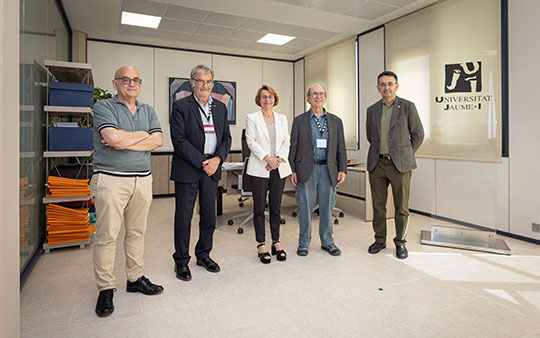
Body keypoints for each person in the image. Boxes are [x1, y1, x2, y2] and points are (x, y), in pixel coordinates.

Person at [91, 66, 164, 318]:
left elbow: (158, 140)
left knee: (137, 233)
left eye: (136, 80)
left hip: (142, 180)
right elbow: (112, 139)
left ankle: (134, 279)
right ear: (115, 83)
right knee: (107, 236)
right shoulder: (104, 107)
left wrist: (126, 139)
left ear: (140, 84)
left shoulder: (148, 110)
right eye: (126, 79)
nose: (131, 84)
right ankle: (106, 289)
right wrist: (141, 136)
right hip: (110, 180)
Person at [170, 64, 231, 281]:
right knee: (184, 218)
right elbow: (178, 140)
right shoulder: (181, 106)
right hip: (188, 168)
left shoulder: (220, 108)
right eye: (200, 81)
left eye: (208, 82)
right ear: (192, 82)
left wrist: (217, 159)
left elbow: (226, 138)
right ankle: (181, 260)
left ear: (212, 84)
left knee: (209, 216)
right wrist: (202, 162)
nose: (205, 85)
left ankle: (204, 254)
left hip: (212, 168)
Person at [366, 71, 424, 259]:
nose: (386, 87)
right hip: (377, 164)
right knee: (378, 206)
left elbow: (418, 134)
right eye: (382, 84)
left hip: (400, 165)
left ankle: (400, 242)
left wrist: (404, 154)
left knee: (402, 207)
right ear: (378, 88)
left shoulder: (408, 107)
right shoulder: (372, 110)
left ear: (396, 86)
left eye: (390, 84)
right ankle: (380, 240)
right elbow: (370, 137)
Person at [289, 84, 347, 257]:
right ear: (308, 98)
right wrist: (292, 169)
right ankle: (304, 242)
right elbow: (293, 147)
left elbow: (341, 148)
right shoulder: (299, 120)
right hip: (306, 168)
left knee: (327, 208)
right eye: (314, 94)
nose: (318, 97)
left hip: (328, 169)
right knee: (305, 207)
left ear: (325, 97)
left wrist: (342, 168)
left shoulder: (336, 121)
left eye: (321, 94)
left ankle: (327, 242)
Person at [245, 85, 293, 264]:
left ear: (275, 99)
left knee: (276, 207)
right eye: (264, 97)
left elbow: (286, 140)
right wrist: (267, 159)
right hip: (260, 168)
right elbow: (251, 140)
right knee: (259, 207)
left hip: (278, 168)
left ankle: (276, 242)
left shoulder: (282, 118)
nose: (267, 100)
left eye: (270, 97)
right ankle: (261, 244)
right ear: (259, 99)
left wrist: (278, 159)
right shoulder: (252, 118)